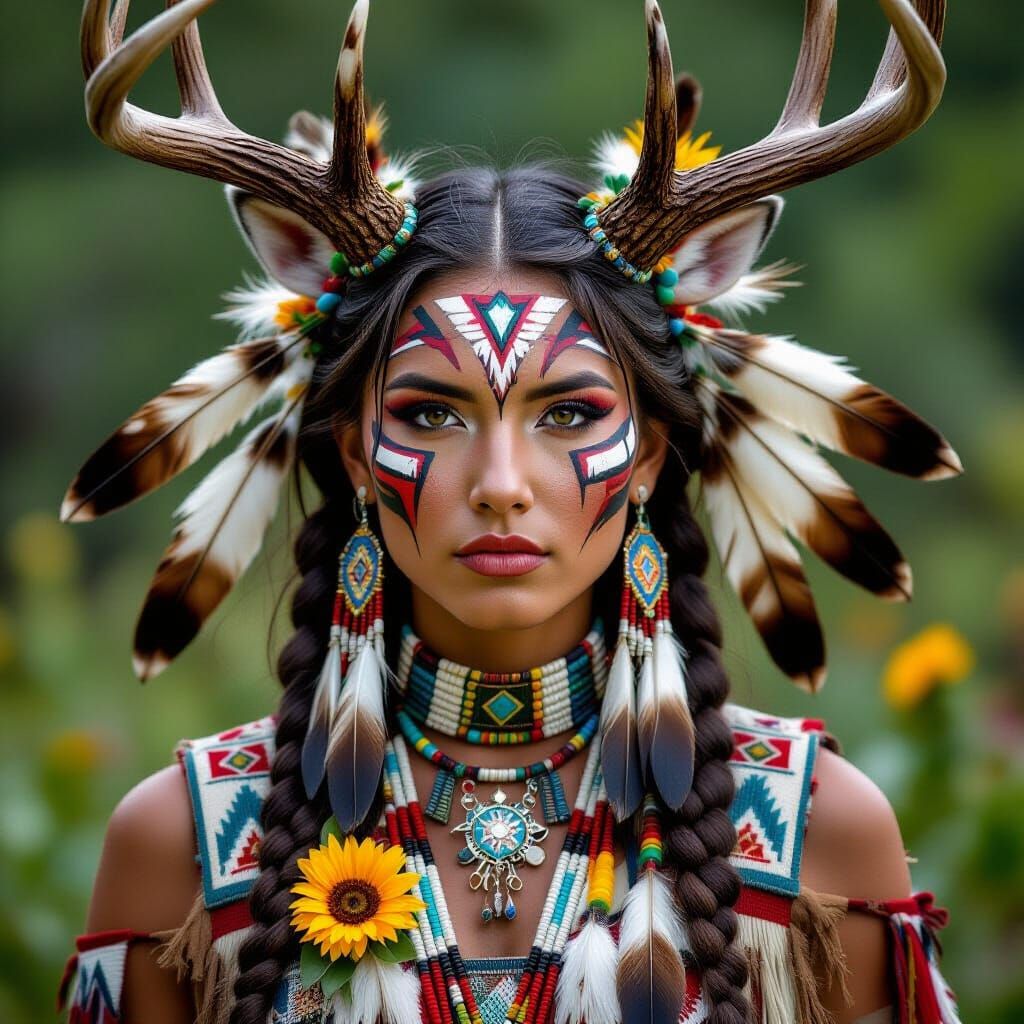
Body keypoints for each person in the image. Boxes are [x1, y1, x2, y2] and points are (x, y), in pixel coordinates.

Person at [58, 1, 963, 1022]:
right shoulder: (182, 838)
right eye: (429, 412)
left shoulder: (816, 831)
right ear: (354, 449)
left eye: (568, 412)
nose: (499, 479)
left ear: (649, 456)